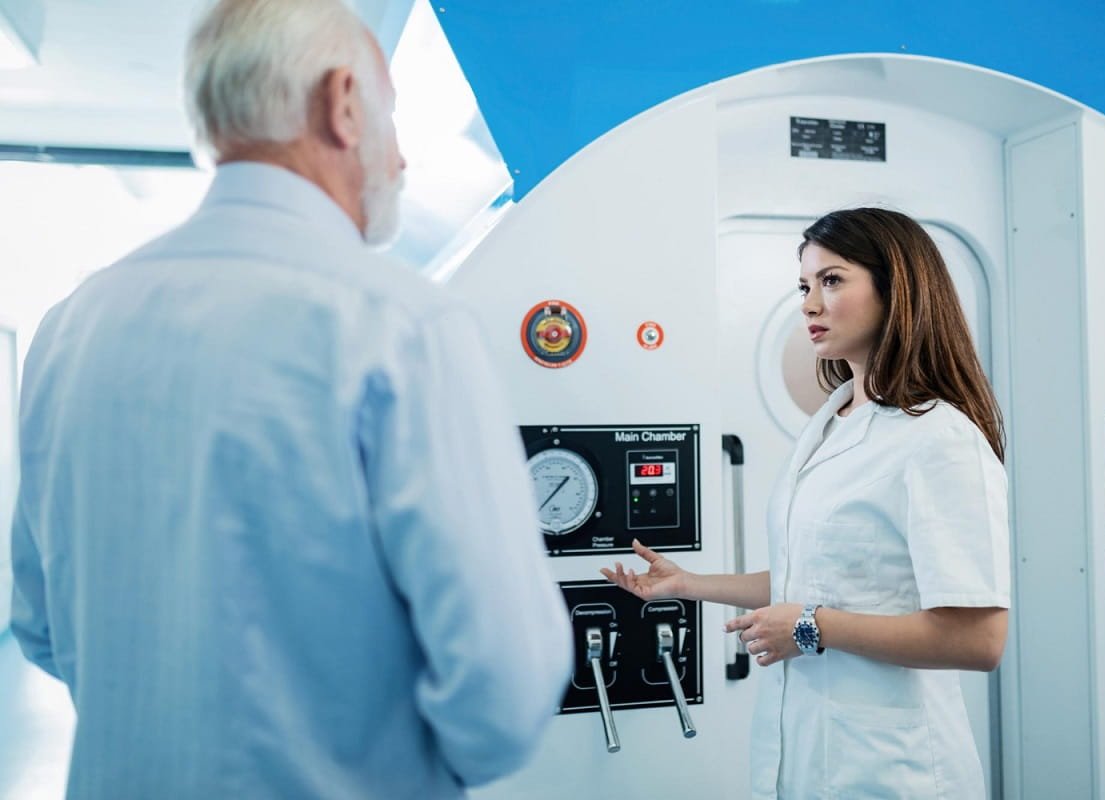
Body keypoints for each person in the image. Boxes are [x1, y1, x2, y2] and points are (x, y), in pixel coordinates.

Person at [9, 1, 572, 797]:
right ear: (342, 103)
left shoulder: (73, 326)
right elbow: (507, 681)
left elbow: (38, 624)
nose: (403, 159)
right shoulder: (401, 325)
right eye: (392, 118)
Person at [603, 207, 1010, 799]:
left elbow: (977, 640)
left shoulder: (940, 437)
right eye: (804, 285)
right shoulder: (834, 423)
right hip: (805, 752)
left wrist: (813, 628)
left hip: (891, 771)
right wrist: (689, 584)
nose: (809, 304)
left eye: (833, 280)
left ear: (897, 288)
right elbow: (818, 576)